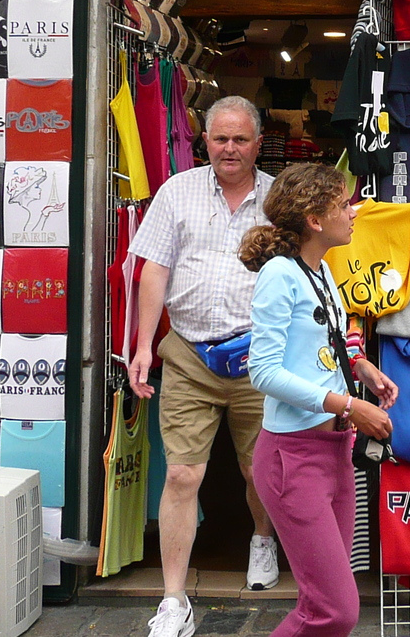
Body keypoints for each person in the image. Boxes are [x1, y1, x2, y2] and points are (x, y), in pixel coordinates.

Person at [128, 96, 280, 637]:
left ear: (258, 143)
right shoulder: (178, 191)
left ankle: (261, 538)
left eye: (240, 139)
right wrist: (145, 344)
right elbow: (154, 270)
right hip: (190, 353)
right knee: (182, 472)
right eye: (220, 139)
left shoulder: (278, 199)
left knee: (258, 468)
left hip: (260, 356)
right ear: (205, 142)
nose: (230, 149)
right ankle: (173, 600)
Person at [241, 163, 398, 637]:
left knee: (323, 604)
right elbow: (263, 370)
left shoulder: (322, 271)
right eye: (341, 204)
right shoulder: (278, 274)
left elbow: (327, 339)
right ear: (313, 218)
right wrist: (349, 406)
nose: (353, 212)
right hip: (293, 460)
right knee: (336, 610)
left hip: (334, 455)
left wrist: (360, 366)